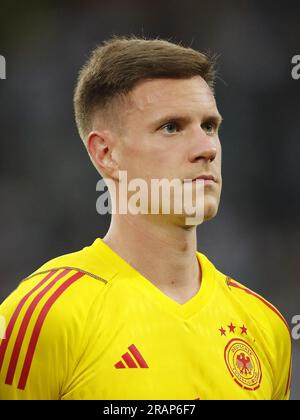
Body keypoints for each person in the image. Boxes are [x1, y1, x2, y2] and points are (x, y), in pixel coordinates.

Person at [0, 36, 291, 400]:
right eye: (172, 127)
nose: (207, 149)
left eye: (210, 126)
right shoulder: (44, 317)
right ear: (106, 153)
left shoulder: (265, 326)